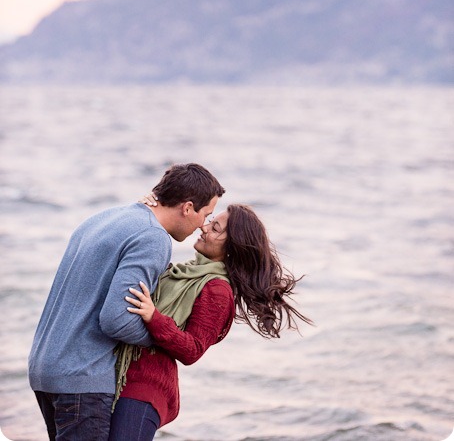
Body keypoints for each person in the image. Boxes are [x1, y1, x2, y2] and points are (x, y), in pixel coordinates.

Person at [28, 163, 225, 441]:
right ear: (187, 207)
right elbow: (116, 319)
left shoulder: (104, 217)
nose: (203, 224)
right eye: (206, 214)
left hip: (45, 369)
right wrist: (163, 339)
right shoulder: (153, 237)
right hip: (83, 376)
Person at [108, 203, 313, 441]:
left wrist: (154, 318)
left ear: (231, 248)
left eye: (215, 228)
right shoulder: (182, 272)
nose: (203, 228)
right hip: (121, 377)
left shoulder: (217, 290)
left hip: (146, 389)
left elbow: (192, 349)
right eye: (210, 221)